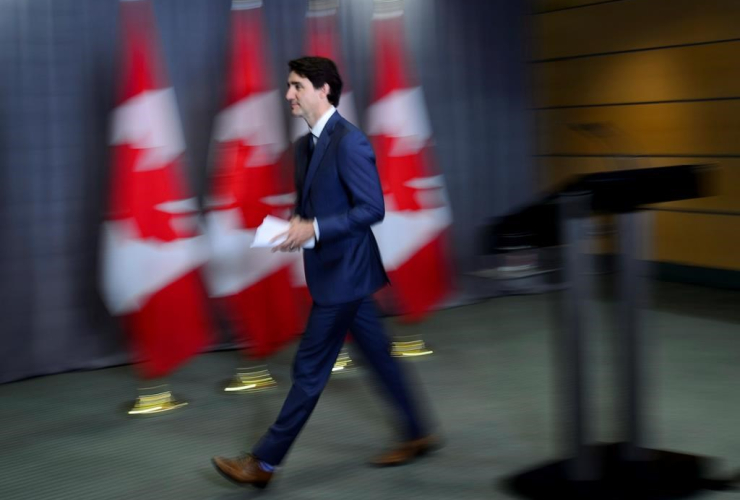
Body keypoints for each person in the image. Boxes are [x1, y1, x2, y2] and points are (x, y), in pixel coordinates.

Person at [211, 56, 438, 489]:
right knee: (377, 355)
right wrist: (292, 229)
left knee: (309, 368)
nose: (288, 94)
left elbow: (373, 209)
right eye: (289, 85)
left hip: (346, 276)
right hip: (333, 270)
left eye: (296, 86)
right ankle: (418, 431)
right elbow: (310, 206)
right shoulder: (304, 146)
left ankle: (263, 463)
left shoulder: (350, 142)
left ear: (323, 90)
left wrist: (313, 228)